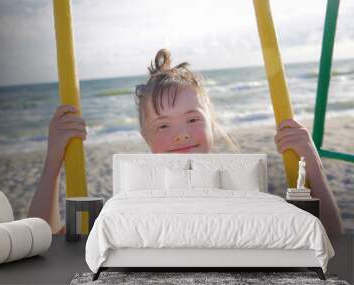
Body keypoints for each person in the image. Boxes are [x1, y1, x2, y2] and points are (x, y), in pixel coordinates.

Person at [28, 49, 344, 236]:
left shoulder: (245, 190)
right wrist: (54, 160)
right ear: (145, 136)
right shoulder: (130, 201)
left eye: (192, 120)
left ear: (211, 122)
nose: (181, 134)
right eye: (163, 124)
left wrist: (310, 160)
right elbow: (46, 236)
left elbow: (329, 236)